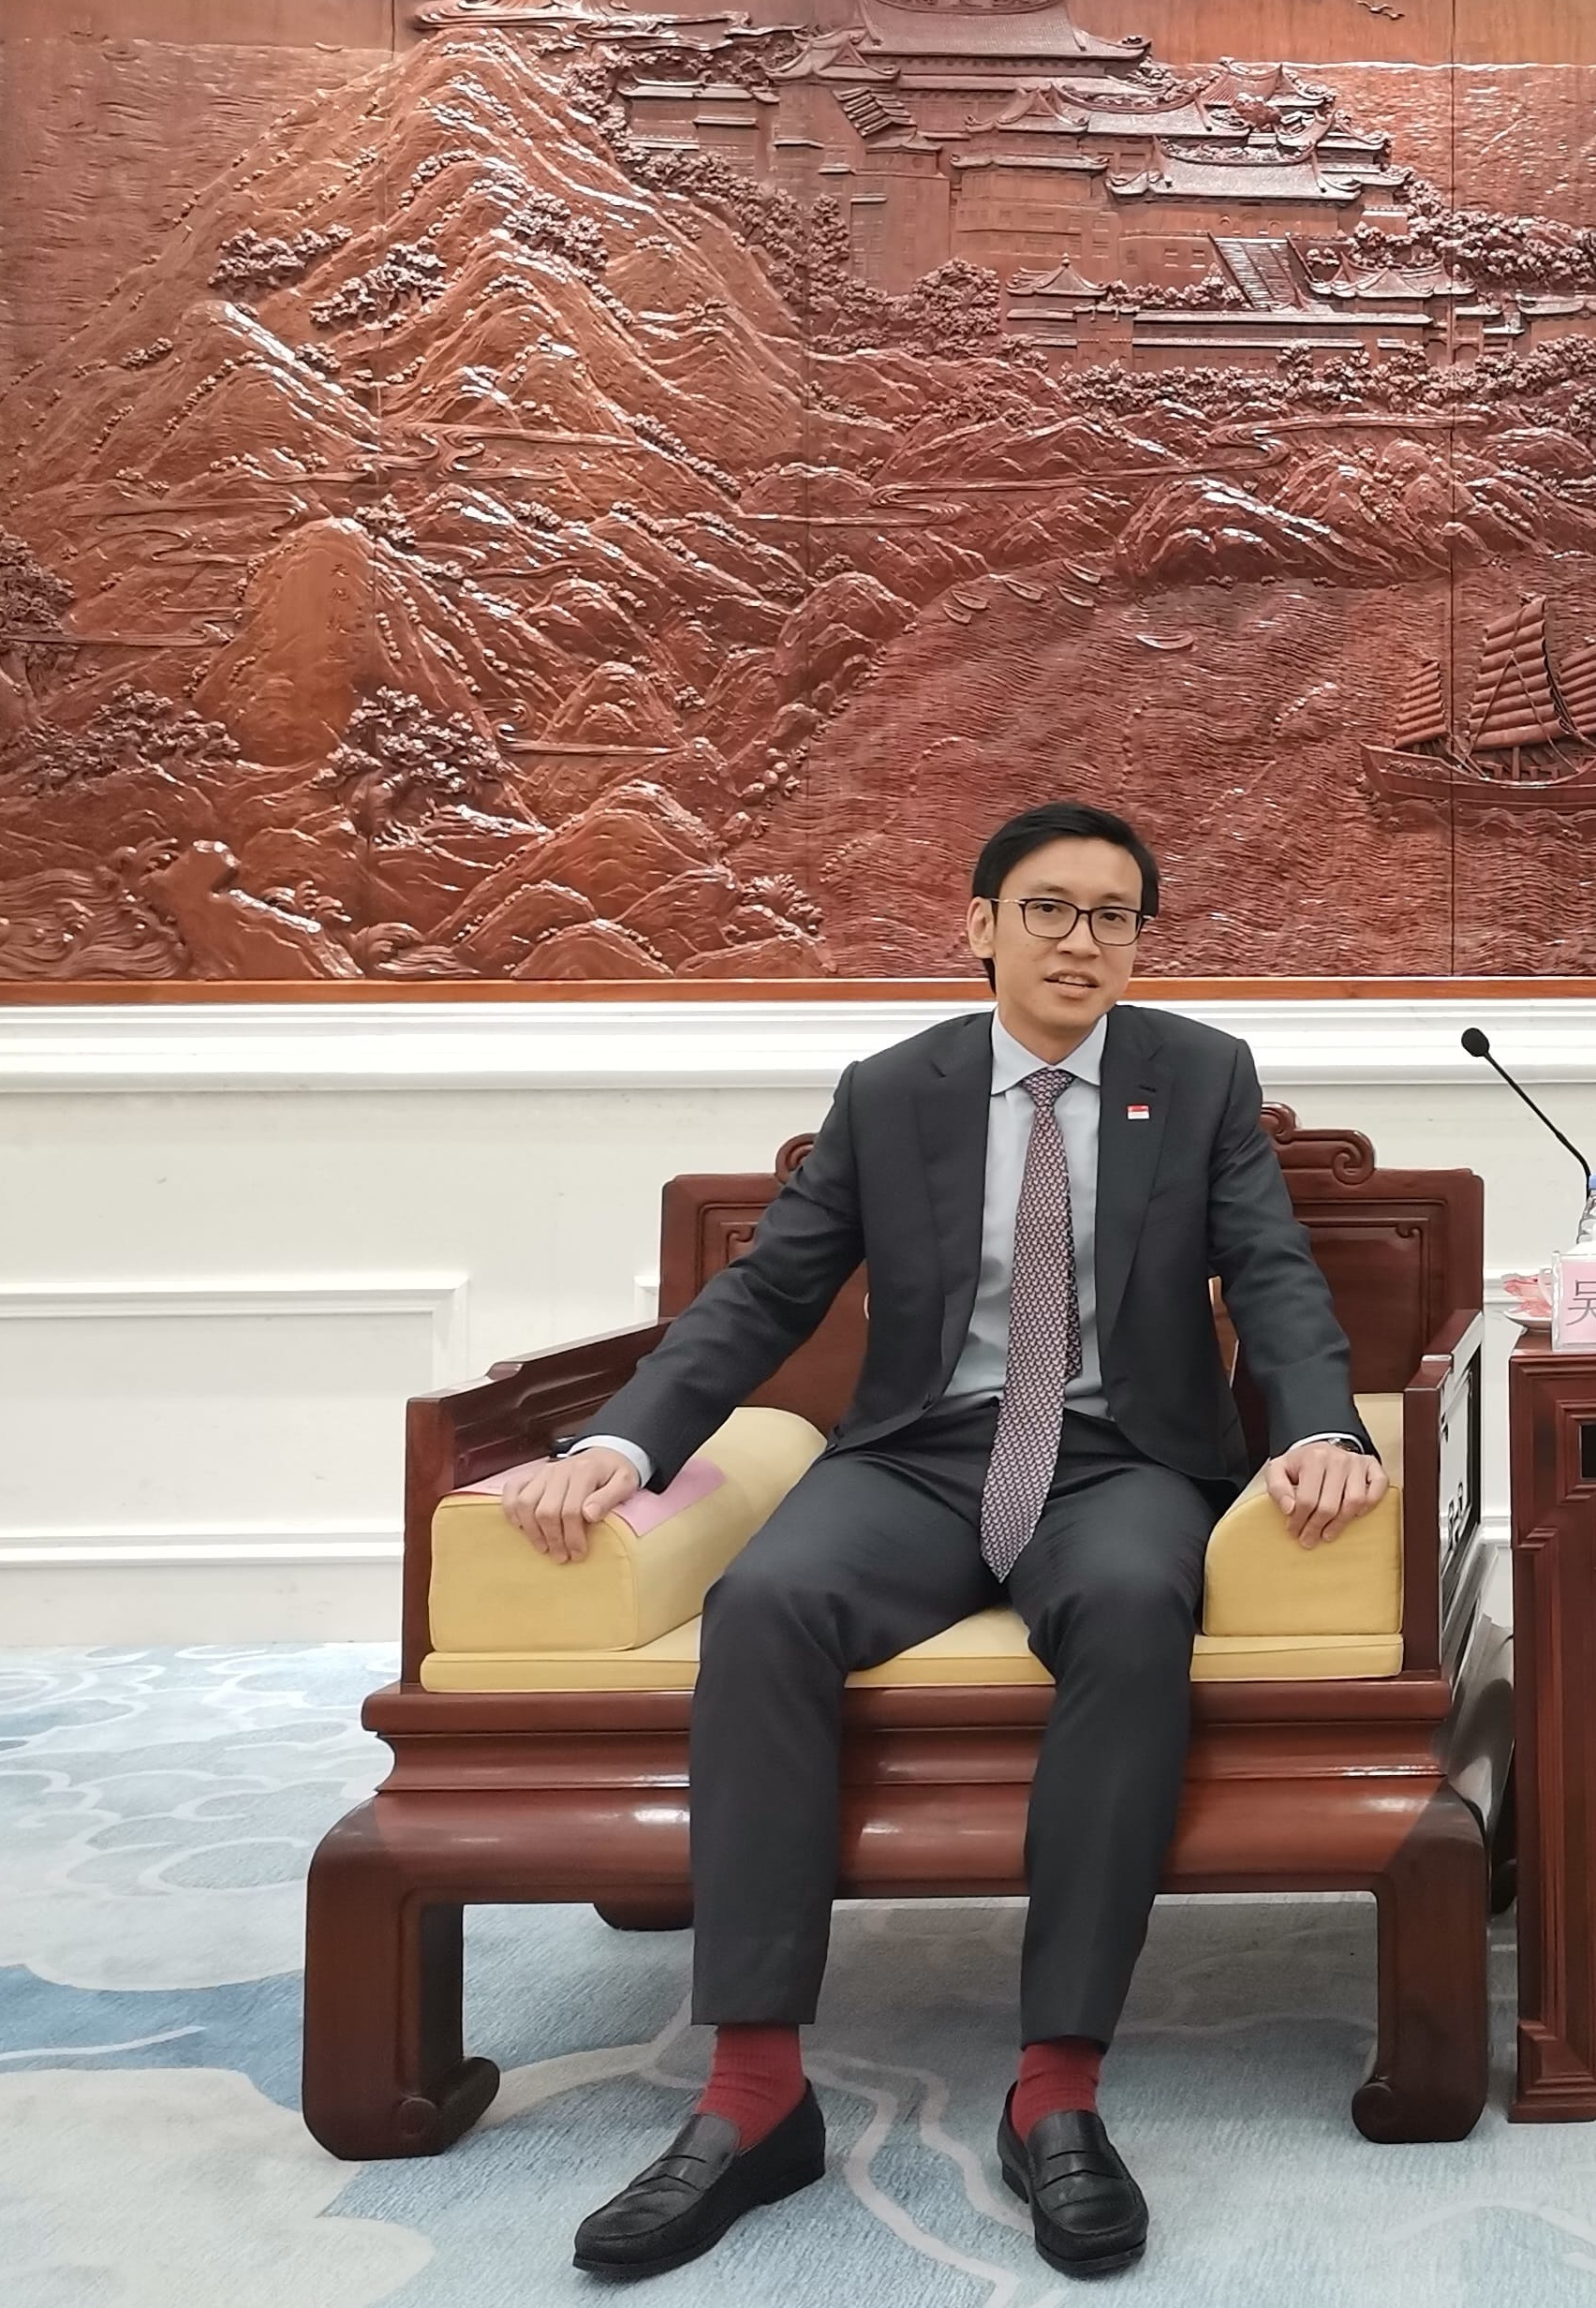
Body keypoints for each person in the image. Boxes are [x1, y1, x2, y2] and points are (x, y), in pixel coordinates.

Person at [491, 800, 1383, 2280]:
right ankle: (754, 2093)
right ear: (979, 925)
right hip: (919, 1456)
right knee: (766, 1601)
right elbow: (767, 1294)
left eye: (1113, 916)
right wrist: (619, 1441)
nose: (1080, 941)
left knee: (1131, 1608)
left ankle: (1059, 2091)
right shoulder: (892, 1089)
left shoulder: (1200, 1075)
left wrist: (1319, 1426)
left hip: (1119, 1460)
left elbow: (1272, 1271)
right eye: (1048, 908)